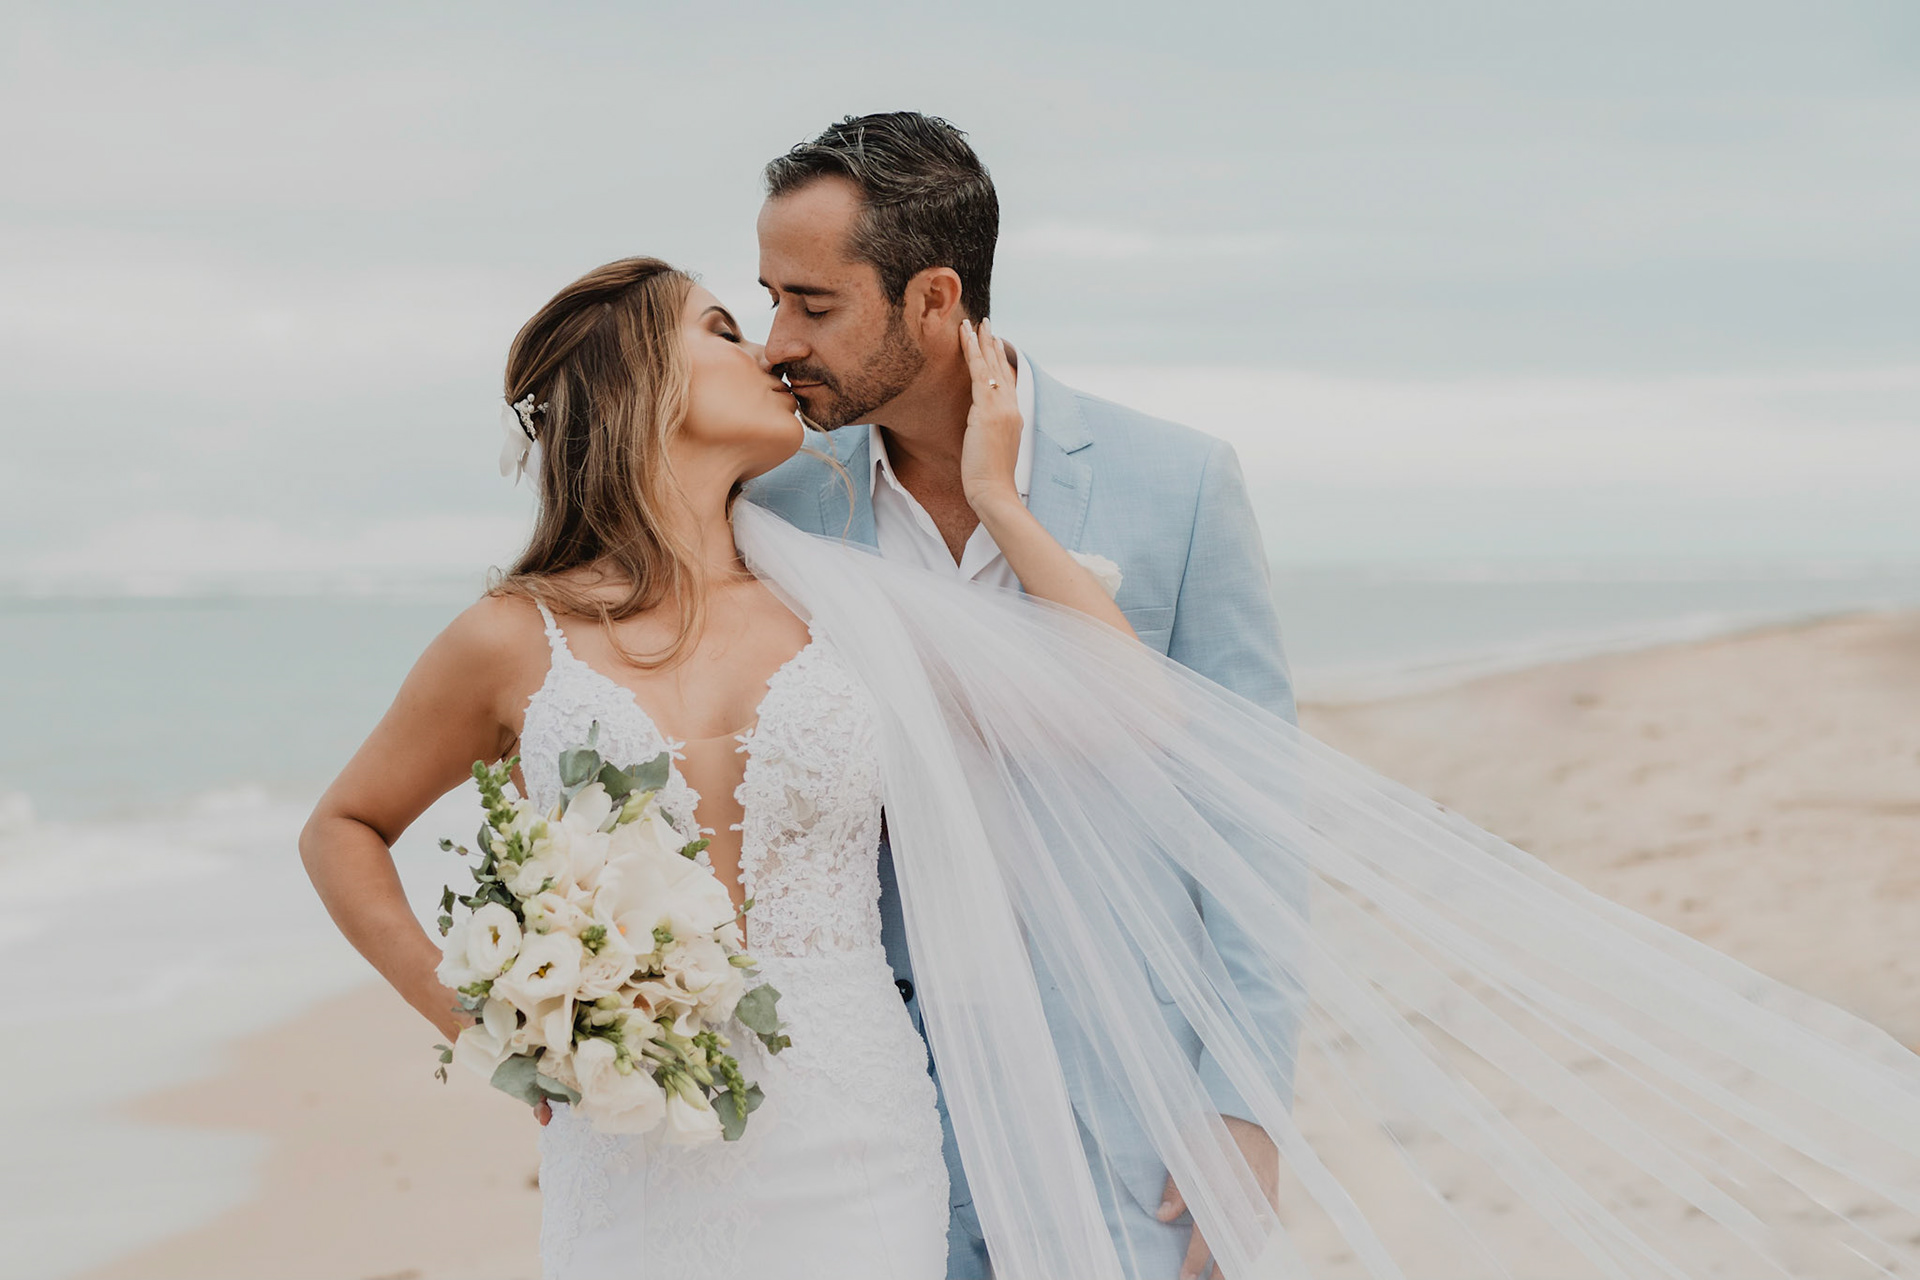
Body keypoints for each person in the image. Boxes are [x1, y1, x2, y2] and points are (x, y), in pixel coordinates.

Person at [302, 253, 1920, 1280]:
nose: (767, 349)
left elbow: (1129, 706)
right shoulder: (511, 639)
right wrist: (506, 1040)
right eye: (724, 329)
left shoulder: (841, 606)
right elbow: (349, 831)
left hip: (853, 1134)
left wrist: (1003, 504)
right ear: (645, 391)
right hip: (626, 1156)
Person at [745, 111, 1292, 1279]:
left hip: (1125, 1086)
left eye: (814, 303)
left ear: (933, 298)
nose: (775, 340)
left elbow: (1255, 816)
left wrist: (1246, 1103)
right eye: (770, 297)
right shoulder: (778, 508)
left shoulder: (1178, 482)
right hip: (876, 1100)